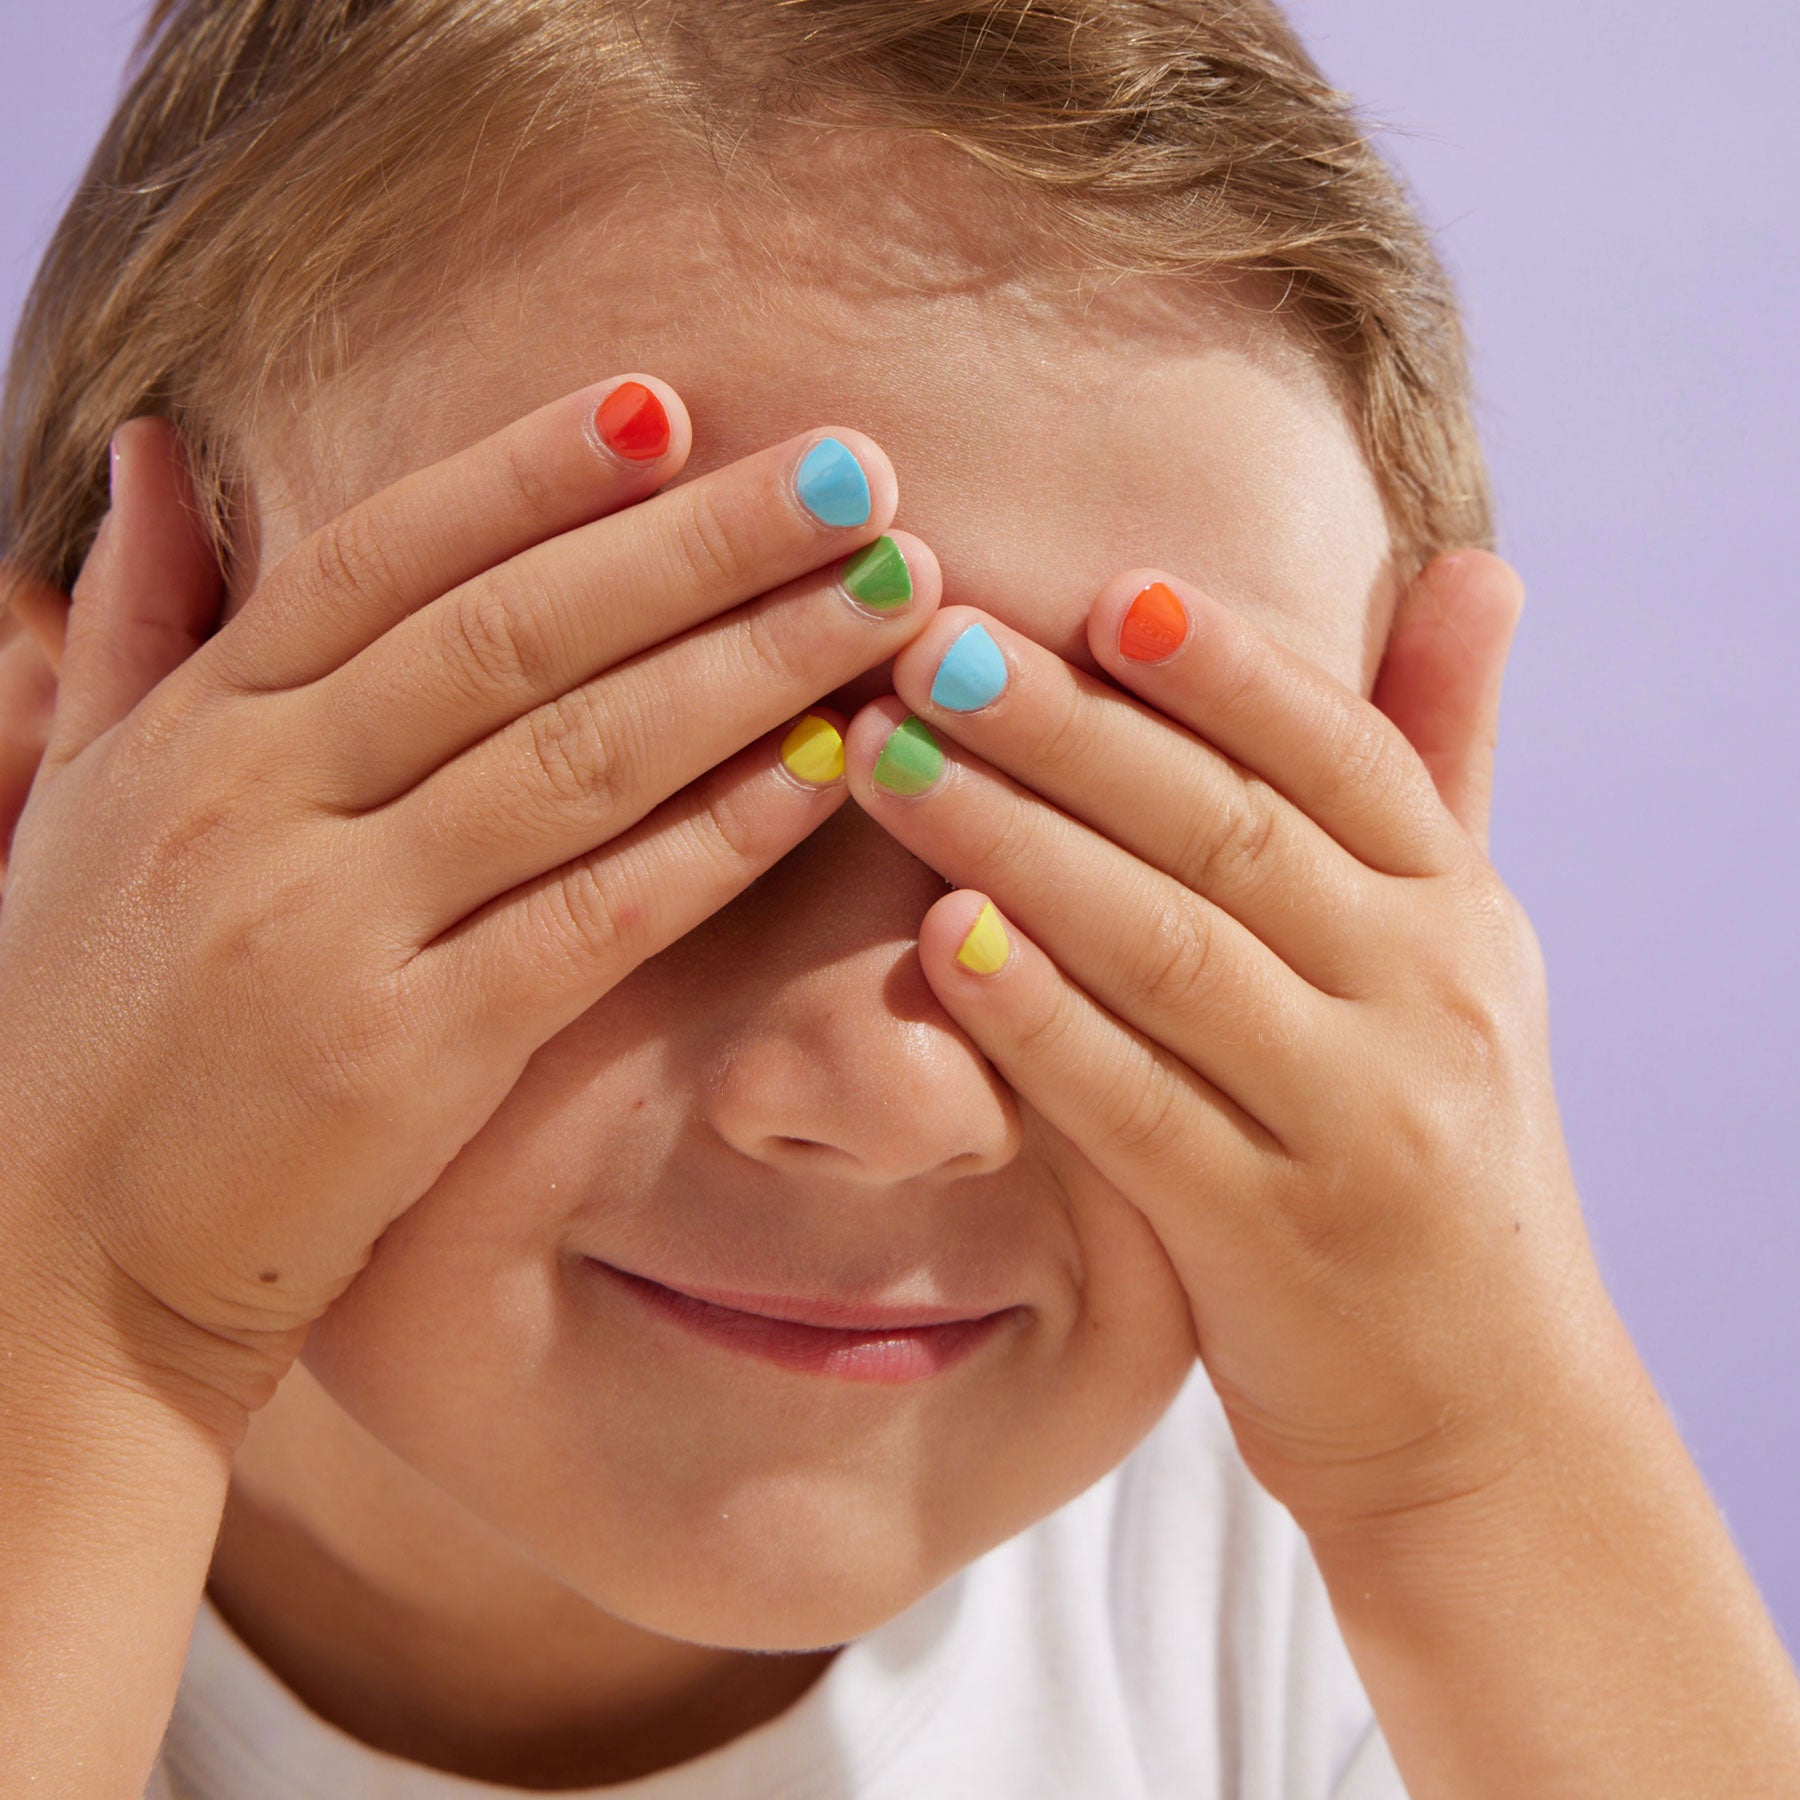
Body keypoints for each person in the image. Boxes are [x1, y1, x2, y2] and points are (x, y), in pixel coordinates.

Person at [2, 2, 1797, 1796]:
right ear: (42, 797)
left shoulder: (1375, 1601)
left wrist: (1467, 1449)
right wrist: (90, 1305)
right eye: (617, 782)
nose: (893, 1105)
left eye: (1131, 839)